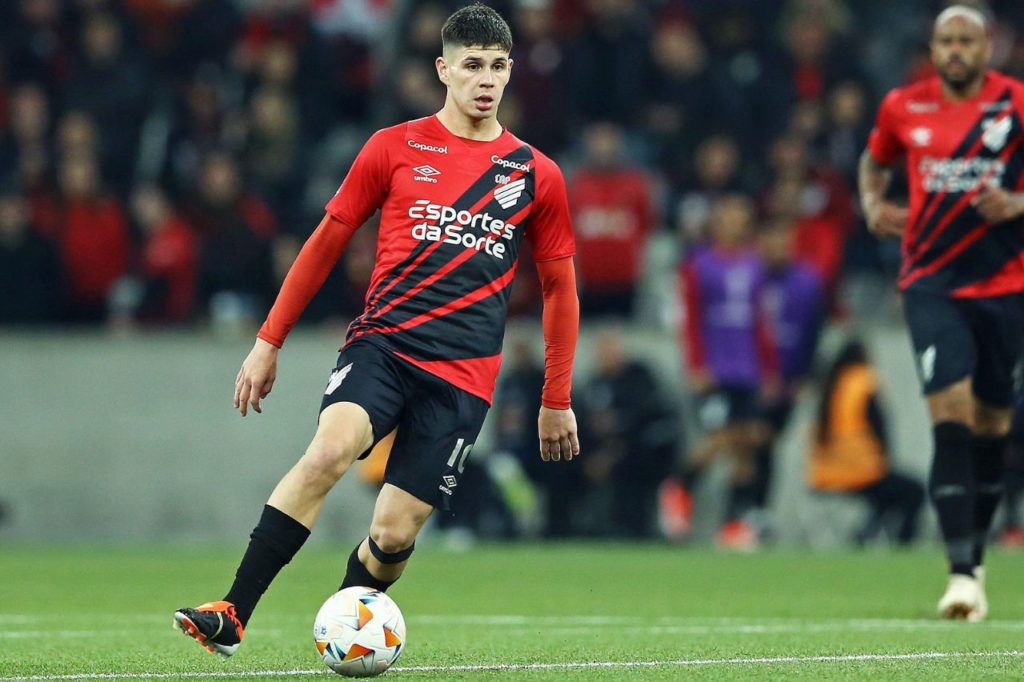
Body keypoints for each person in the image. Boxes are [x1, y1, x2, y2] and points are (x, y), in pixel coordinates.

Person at [173, 3, 580, 658]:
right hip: (385, 344)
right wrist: (269, 339)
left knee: (393, 533)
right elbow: (325, 241)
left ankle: (345, 627)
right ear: (443, 69)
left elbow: (561, 289)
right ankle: (233, 611)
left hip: (463, 376)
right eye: (472, 65)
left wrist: (555, 398)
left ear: (511, 73)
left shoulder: (536, 174)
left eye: (498, 67)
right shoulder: (394, 146)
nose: (486, 80)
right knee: (330, 451)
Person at [858, 5, 1024, 620]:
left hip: (1006, 285)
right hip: (931, 281)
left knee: (991, 428)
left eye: (967, 41)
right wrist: (872, 201)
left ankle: (974, 561)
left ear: (989, 48)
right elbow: (874, 161)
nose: (956, 51)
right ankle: (959, 574)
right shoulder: (904, 106)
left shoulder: (1016, 104)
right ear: (932, 48)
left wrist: (1018, 201)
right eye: (946, 41)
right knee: (949, 415)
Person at [675, 193, 780, 549]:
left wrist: (768, 368)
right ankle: (680, 486)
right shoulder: (699, 264)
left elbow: (760, 320)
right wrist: (696, 364)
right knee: (721, 438)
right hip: (716, 368)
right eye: (730, 216)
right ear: (718, 222)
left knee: (747, 444)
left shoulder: (754, 264)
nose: (736, 223)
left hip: (747, 367)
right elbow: (689, 319)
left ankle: (733, 524)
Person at [808, 340, 925, 547]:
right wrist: (884, 457)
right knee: (914, 491)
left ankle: (865, 535)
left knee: (885, 496)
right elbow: (878, 425)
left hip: (823, 474)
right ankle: (904, 543)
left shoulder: (830, 386)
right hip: (860, 470)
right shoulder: (864, 382)